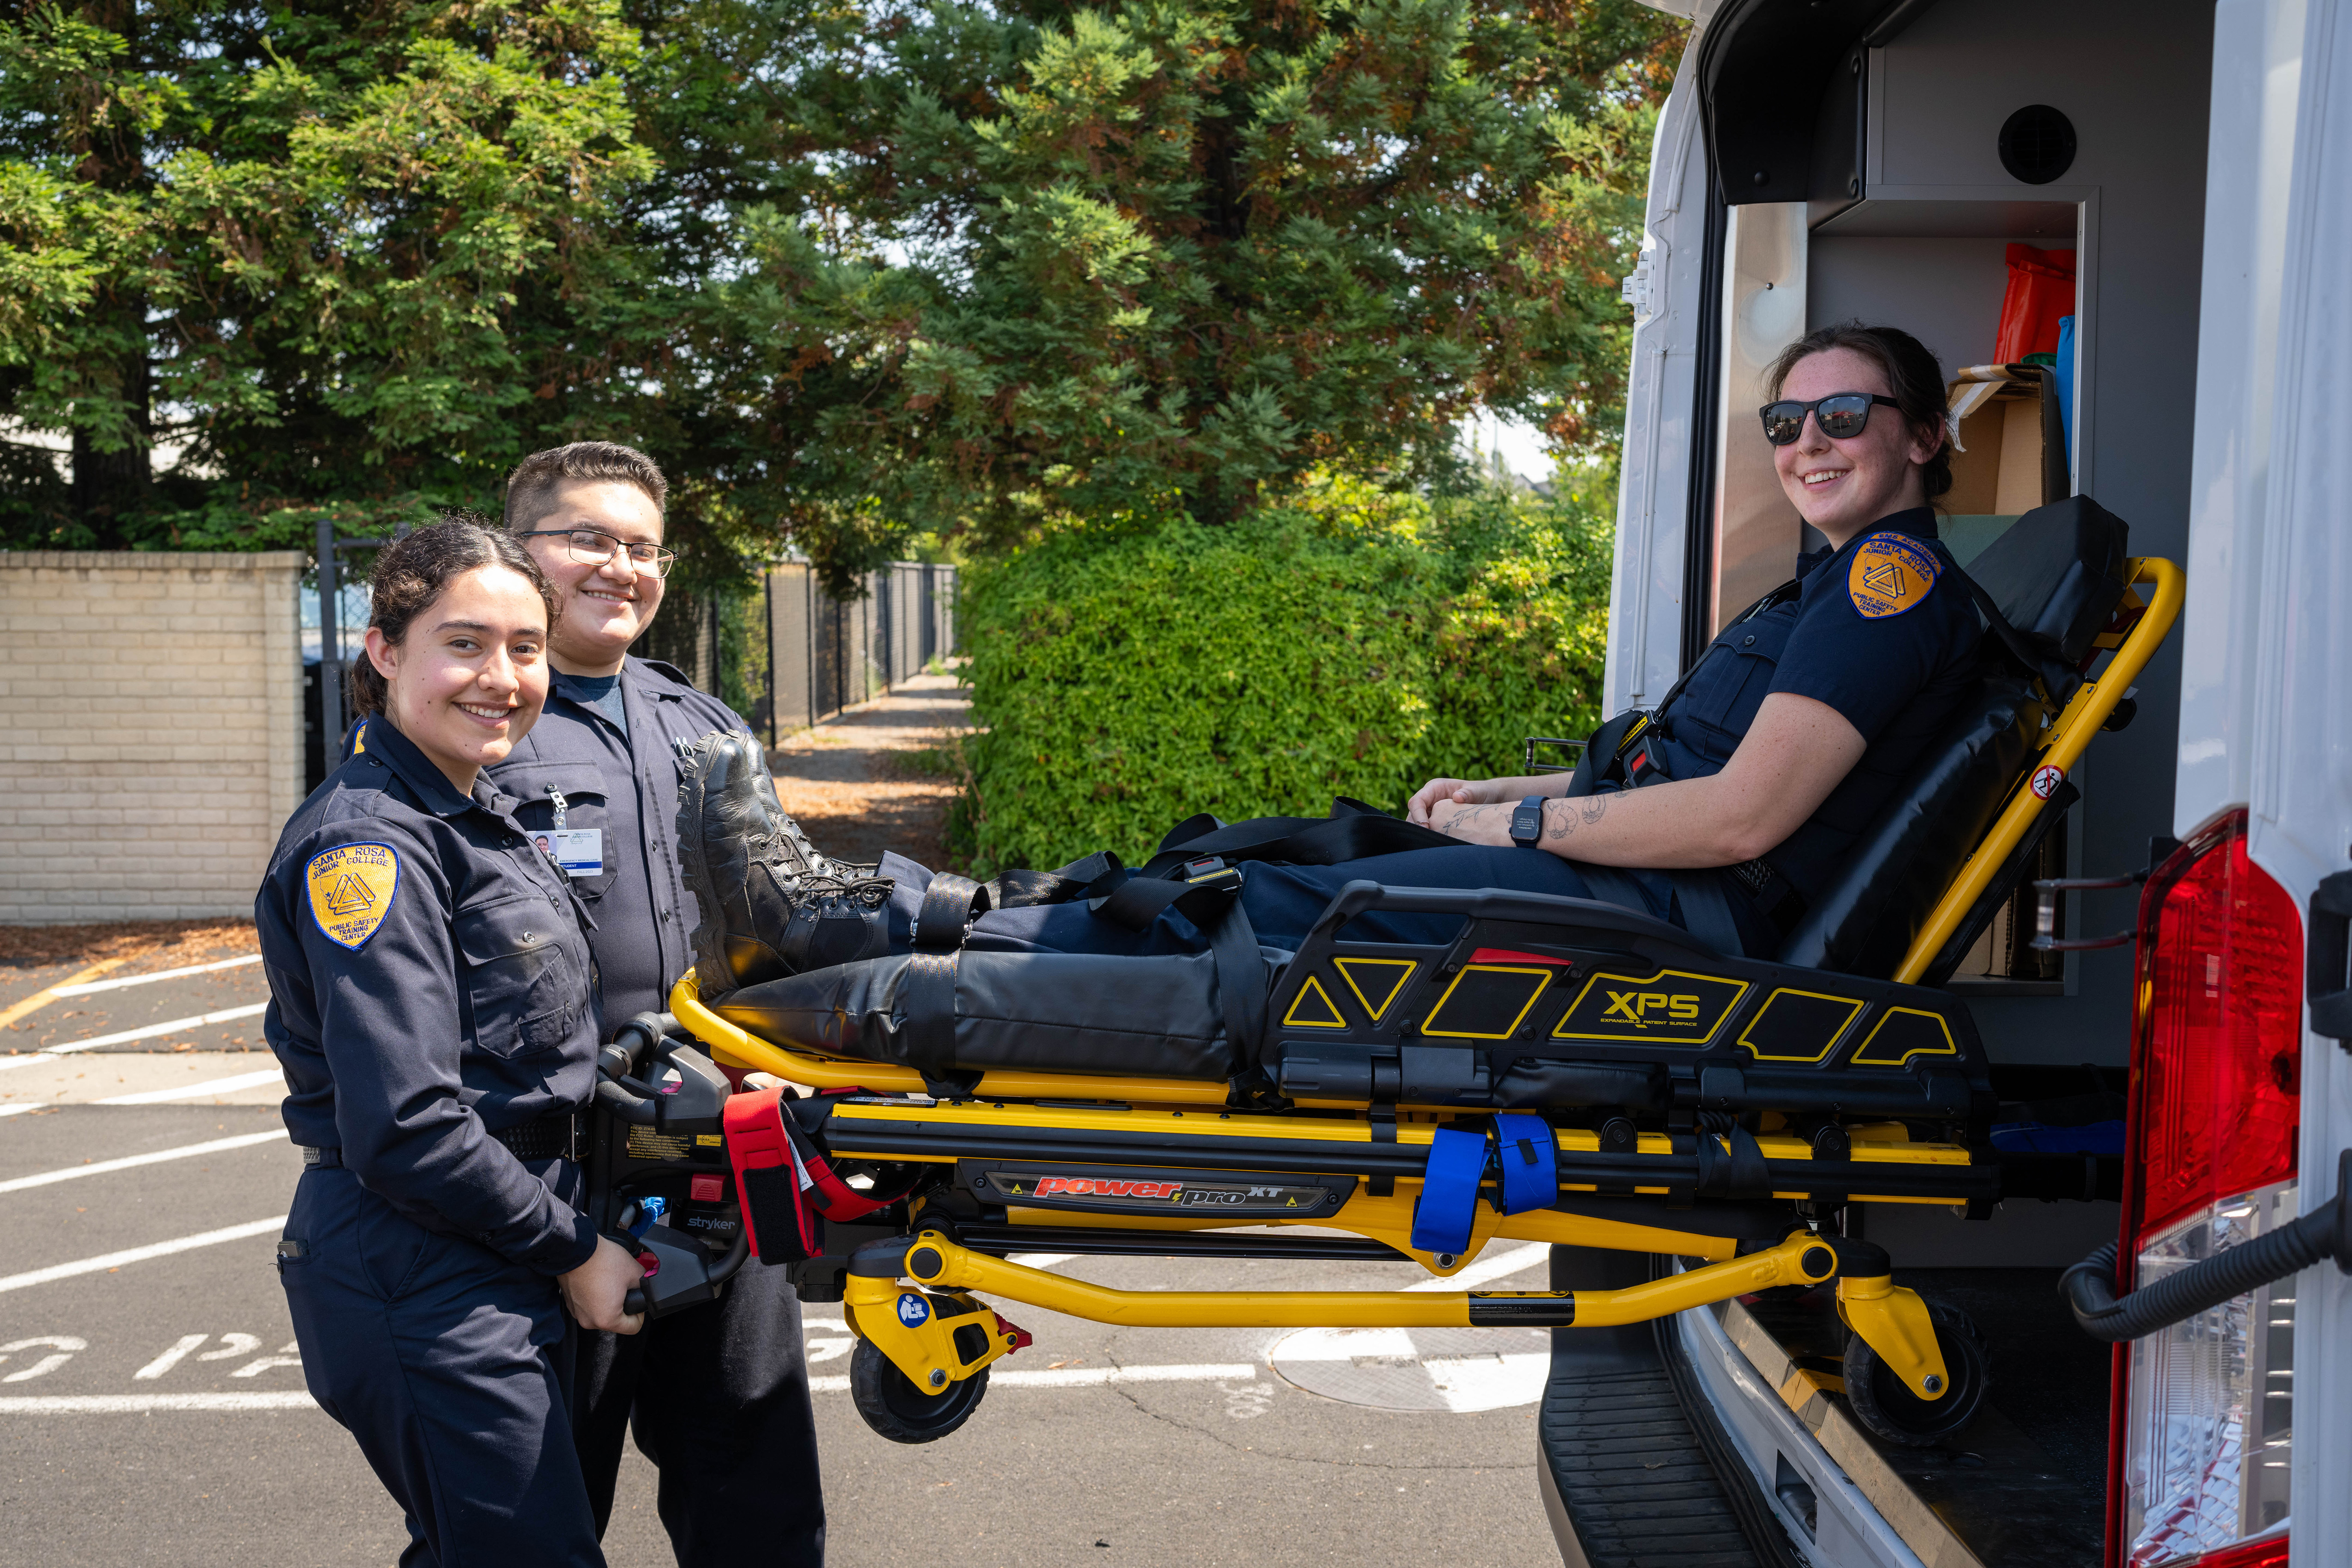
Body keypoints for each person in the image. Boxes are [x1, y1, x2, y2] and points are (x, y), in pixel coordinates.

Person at [681, 322, 1983, 974]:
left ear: (1921, 436)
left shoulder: (1886, 590)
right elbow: (1673, 769)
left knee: (1264, 907)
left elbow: (1731, 823)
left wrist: (1515, 837)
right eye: (1784, 420)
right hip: (1631, 878)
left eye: (1844, 414)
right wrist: (1504, 798)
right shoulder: (1815, 591)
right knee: (1293, 844)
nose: (1805, 441)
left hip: (1672, 919)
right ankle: (902, 907)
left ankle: (855, 933)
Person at [257, 520, 644, 1568]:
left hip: (489, 1242)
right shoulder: (370, 843)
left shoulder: (475, 812)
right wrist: (573, 1250)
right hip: (423, 1263)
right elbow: (409, 1126)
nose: (503, 676)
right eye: (463, 644)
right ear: (386, 651)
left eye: (525, 647)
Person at [485, 442, 827, 1566]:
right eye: (587, 537)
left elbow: (780, 906)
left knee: (757, 1497)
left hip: (712, 1154)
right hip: (545, 1178)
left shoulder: (702, 722)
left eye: (641, 547)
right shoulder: (476, 726)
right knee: (530, 1517)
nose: (618, 567)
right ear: (521, 549)